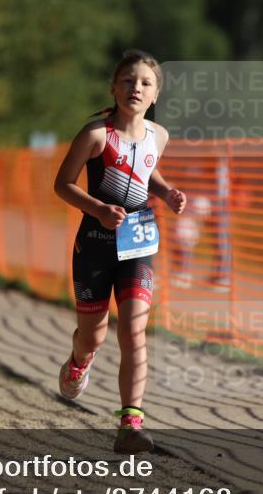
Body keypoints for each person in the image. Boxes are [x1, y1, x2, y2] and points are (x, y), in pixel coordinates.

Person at [53, 49, 186, 454]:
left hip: (139, 244)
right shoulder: (96, 135)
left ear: (155, 94)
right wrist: (97, 209)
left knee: (133, 330)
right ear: (114, 87)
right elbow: (62, 184)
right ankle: (80, 359)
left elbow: (147, 169)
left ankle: (131, 421)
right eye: (128, 81)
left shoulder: (158, 135)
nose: (136, 88)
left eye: (145, 83)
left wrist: (165, 191)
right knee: (93, 336)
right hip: (94, 245)